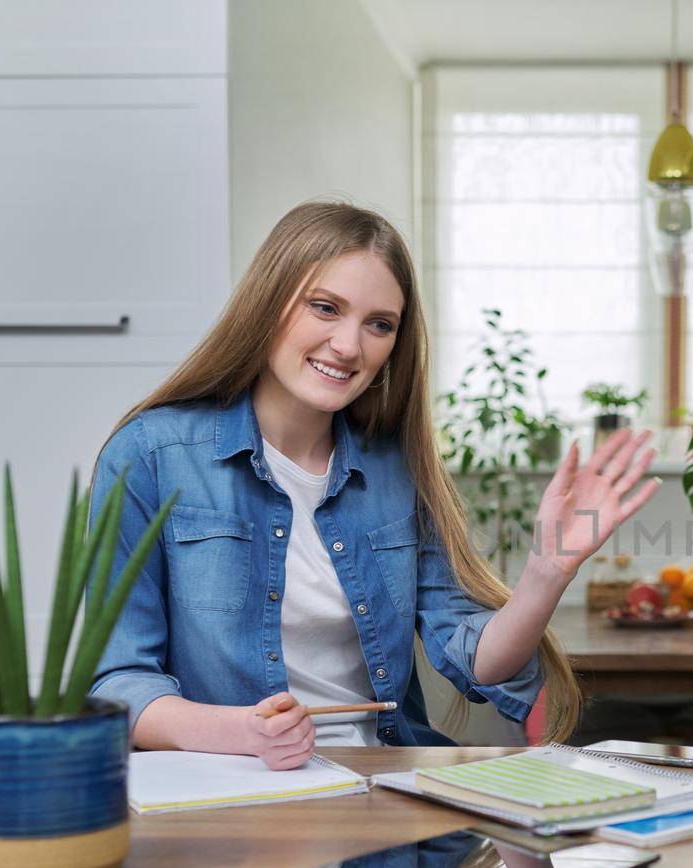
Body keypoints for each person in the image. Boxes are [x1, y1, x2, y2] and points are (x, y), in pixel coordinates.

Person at [89, 200, 658, 767]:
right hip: (230, 792)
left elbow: (477, 664)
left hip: (383, 785)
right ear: (268, 303)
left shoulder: (396, 468)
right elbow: (119, 683)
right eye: (324, 307)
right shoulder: (151, 457)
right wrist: (242, 732)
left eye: (379, 324)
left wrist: (547, 571)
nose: (348, 346)